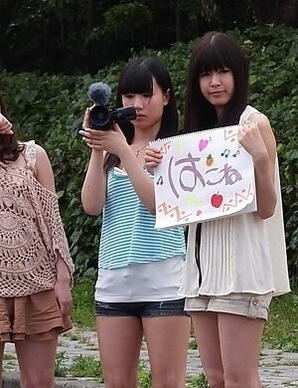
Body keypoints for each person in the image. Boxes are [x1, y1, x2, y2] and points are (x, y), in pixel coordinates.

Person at [145, 32, 290, 388]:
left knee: (240, 376)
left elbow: (267, 208)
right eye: (205, 74)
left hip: (242, 267)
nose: (214, 82)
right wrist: (158, 170)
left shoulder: (255, 123)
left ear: (238, 74)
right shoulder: (197, 134)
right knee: (217, 376)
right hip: (201, 268)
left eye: (223, 71)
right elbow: (178, 204)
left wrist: (259, 158)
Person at [79, 57, 191, 388]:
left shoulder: (178, 149)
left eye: (146, 95)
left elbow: (159, 206)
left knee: (168, 382)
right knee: (117, 382)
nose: (137, 105)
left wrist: (125, 153)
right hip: (113, 280)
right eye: (128, 97)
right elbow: (91, 205)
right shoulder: (113, 149)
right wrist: (99, 147)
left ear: (166, 97)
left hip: (164, 279)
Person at [0, 94, 74, 388]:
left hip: (38, 282)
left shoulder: (33, 155)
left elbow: (53, 219)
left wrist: (63, 276)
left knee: (39, 382)